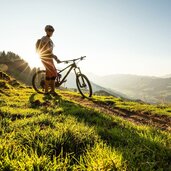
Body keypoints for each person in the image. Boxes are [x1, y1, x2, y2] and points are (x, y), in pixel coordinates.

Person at [38, 25, 61, 95]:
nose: (51, 32)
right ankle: (46, 91)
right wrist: (54, 56)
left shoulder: (50, 40)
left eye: (52, 31)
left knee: (54, 73)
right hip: (45, 58)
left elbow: (50, 51)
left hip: (50, 58)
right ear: (46, 31)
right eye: (49, 31)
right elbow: (45, 50)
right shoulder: (44, 38)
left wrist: (55, 57)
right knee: (49, 73)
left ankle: (52, 91)